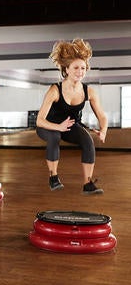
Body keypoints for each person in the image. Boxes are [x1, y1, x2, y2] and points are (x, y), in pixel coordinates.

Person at [35, 38, 107, 194]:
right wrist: (58, 127)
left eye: (83, 68)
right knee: (54, 137)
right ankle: (53, 177)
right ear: (67, 69)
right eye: (76, 68)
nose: (80, 72)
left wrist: (103, 130)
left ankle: (88, 184)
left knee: (87, 141)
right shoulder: (55, 90)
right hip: (48, 125)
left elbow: (102, 116)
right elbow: (39, 120)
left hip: (69, 126)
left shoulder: (89, 91)